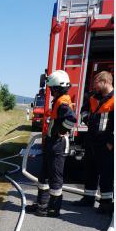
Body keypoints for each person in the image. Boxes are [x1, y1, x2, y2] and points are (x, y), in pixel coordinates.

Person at [25, 70, 77, 217]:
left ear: (57, 88)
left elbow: (71, 120)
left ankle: (53, 209)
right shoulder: (60, 100)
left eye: (52, 89)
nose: (51, 92)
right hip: (52, 143)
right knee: (44, 176)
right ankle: (42, 205)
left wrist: (60, 130)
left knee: (55, 177)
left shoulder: (63, 102)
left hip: (58, 144)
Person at [74, 71, 114, 214]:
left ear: (105, 82)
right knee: (90, 171)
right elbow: (84, 112)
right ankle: (88, 199)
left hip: (105, 144)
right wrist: (88, 120)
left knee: (106, 174)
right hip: (91, 141)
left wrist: (111, 142)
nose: (94, 86)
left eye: (96, 83)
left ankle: (106, 204)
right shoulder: (92, 98)